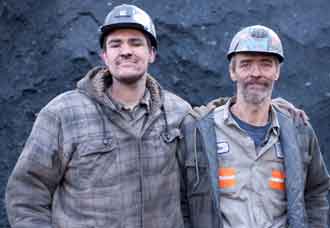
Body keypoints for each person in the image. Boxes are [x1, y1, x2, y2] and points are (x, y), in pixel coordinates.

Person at [5, 4, 191, 228]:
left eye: (136, 42)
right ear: (104, 55)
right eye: (115, 44)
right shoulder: (63, 113)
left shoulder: (178, 113)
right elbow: (26, 194)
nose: (126, 51)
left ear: (151, 53)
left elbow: (192, 193)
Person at [180, 25, 330, 228]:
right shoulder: (198, 131)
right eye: (246, 64)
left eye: (266, 64)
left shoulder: (299, 131)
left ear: (277, 71)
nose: (256, 73)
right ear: (232, 71)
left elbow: (316, 192)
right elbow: (181, 201)